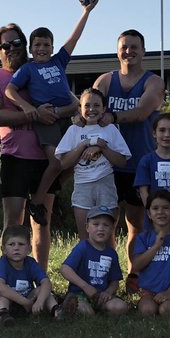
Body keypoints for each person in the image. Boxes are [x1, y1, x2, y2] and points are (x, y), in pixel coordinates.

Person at [0, 23, 71, 268]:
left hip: (45, 158)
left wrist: (56, 112)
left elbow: (72, 104)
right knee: (12, 223)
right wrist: (33, 114)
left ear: (26, 45)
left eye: (16, 43)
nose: (11, 48)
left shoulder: (40, 70)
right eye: (4, 45)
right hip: (15, 158)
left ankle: (40, 279)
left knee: (42, 221)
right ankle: (6, 278)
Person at [4, 0, 97, 228]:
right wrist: (29, 109)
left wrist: (86, 12)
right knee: (56, 161)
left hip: (67, 118)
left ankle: (52, 189)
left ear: (52, 48)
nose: (42, 49)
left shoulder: (58, 62)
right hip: (45, 121)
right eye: (37, 45)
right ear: (31, 49)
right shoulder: (28, 69)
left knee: (76, 160)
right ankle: (36, 202)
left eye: (46, 45)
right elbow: (9, 90)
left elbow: (74, 39)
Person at [92, 29, 165, 279]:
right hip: (106, 165)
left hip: (139, 163)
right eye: (124, 46)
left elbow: (142, 112)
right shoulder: (104, 81)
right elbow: (89, 110)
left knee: (136, 224)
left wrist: (112, 116)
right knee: (105, 224)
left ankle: (134, 275)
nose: (129, 51)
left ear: (143, 51)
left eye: (134, 47)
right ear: (117, 50)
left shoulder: (153, 82)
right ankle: (107, 275)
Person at [54, 88, 131, 241]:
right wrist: (84, 144)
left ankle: (109, 264)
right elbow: (63, 163)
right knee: (86, 237)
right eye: (87, 105)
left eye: (96, 105)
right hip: (83, 185)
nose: (91, 109)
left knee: (107, 237)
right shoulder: (74, 130)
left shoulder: (110, 129)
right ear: (79, 109)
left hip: (105, 184)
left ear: (104, 109)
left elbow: (122, 161)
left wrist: (102, 147)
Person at [58, 205, 128, 317]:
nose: (101, 228)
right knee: (87, 312)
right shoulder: (83, 247)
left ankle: (97, 310)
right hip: (80, 294)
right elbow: (65, 269)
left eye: (106, 225)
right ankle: (66, 309)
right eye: (96, 224)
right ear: (87, 227)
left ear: (111, 229)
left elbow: (115, 281)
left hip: (100, 295)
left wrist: (108, 292)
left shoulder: (111, 253)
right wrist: (86, 287)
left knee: (121, 307)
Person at [0, 225, 58, 326]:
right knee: (3, 295)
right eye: (11, 244)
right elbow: (0, 287)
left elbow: (46, 283)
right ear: (3, 249)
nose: (16, 248)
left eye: (21, 244)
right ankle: (3, 316)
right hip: (9, 303)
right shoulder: (1, 264)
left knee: (43, 290)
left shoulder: (31, 263)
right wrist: (24, 302)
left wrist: (39, 301)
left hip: (28, 301)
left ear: (29, 249)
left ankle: (57, 311)